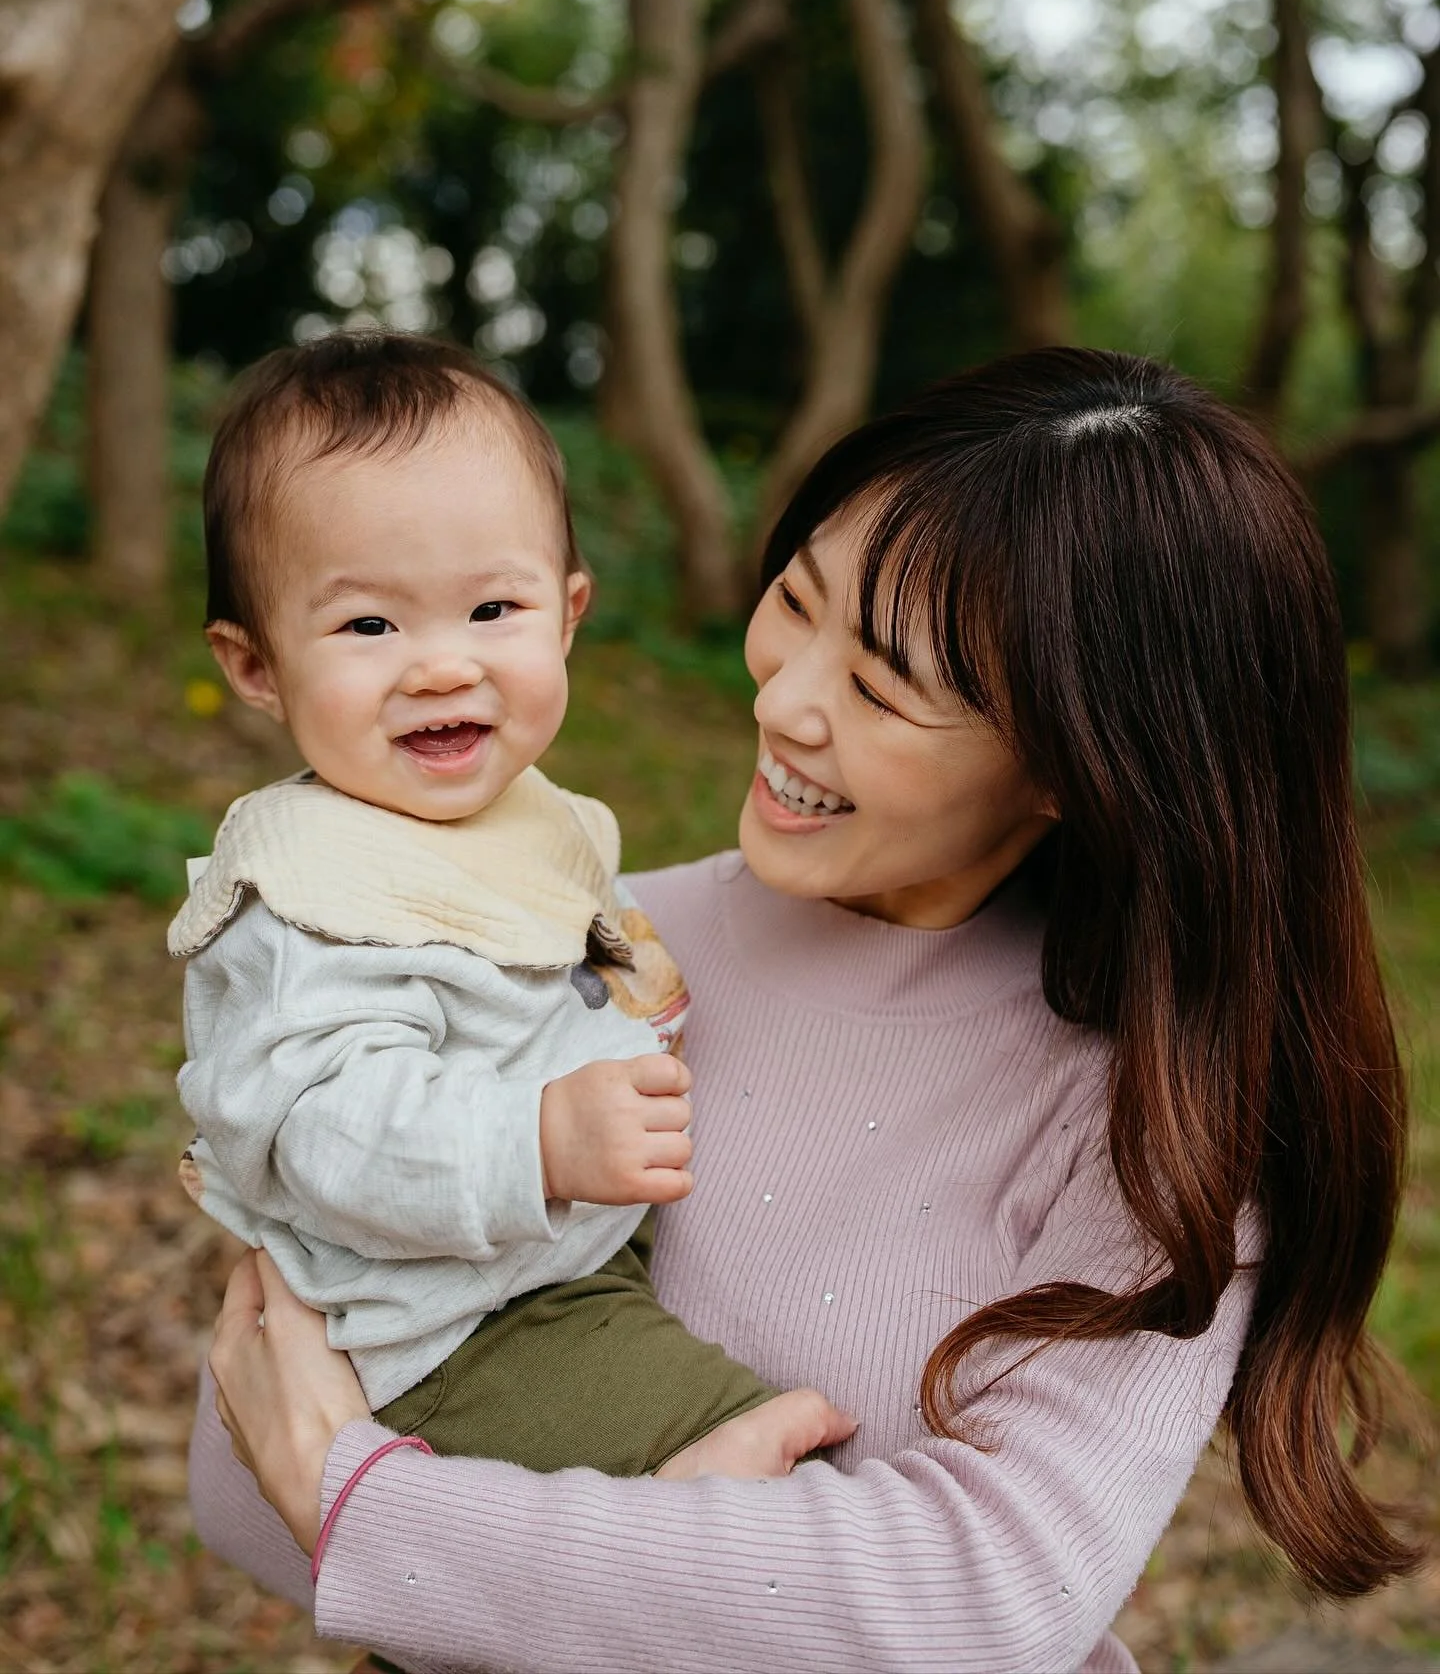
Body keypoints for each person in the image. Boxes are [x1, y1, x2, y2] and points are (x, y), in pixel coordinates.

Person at [191, 348, 1420, 1674]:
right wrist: (669, 1568)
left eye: (881, 686)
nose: (779, 702)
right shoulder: (580, 943)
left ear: (1077, 763)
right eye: (794, 601)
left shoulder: (1155, 1127)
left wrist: (381, 1515)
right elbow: (248, 1437)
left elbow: (986, 1602)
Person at [173, 330, 848, 1485]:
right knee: (771, 1477)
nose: (441, 666)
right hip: (462, 1329)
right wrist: (535, 1141)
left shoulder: (537, 817)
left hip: (561, 1261)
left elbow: (586, 930)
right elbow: (324, 1127)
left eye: (493, 609)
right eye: (368, 626)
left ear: (569, 611)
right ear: (254, 666)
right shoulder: (308, 896)